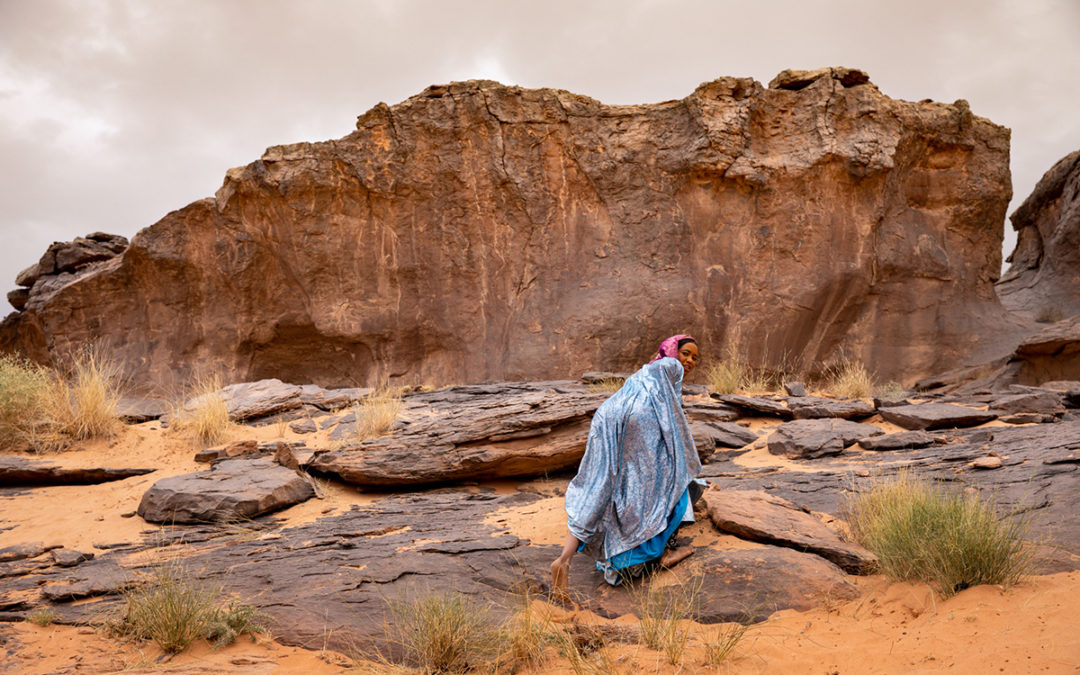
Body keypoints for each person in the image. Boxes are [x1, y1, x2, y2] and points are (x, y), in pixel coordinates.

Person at [550, 334, 704, 601]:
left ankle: (564, 559)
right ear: (670, 351)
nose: (689, 361)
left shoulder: (645, 371)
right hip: (638, 421)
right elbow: (674, 416)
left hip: (608, 416)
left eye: (694, 358)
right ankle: (662, 552)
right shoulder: (671, 367)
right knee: (672, 480)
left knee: (602, 487)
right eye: (686, 353)